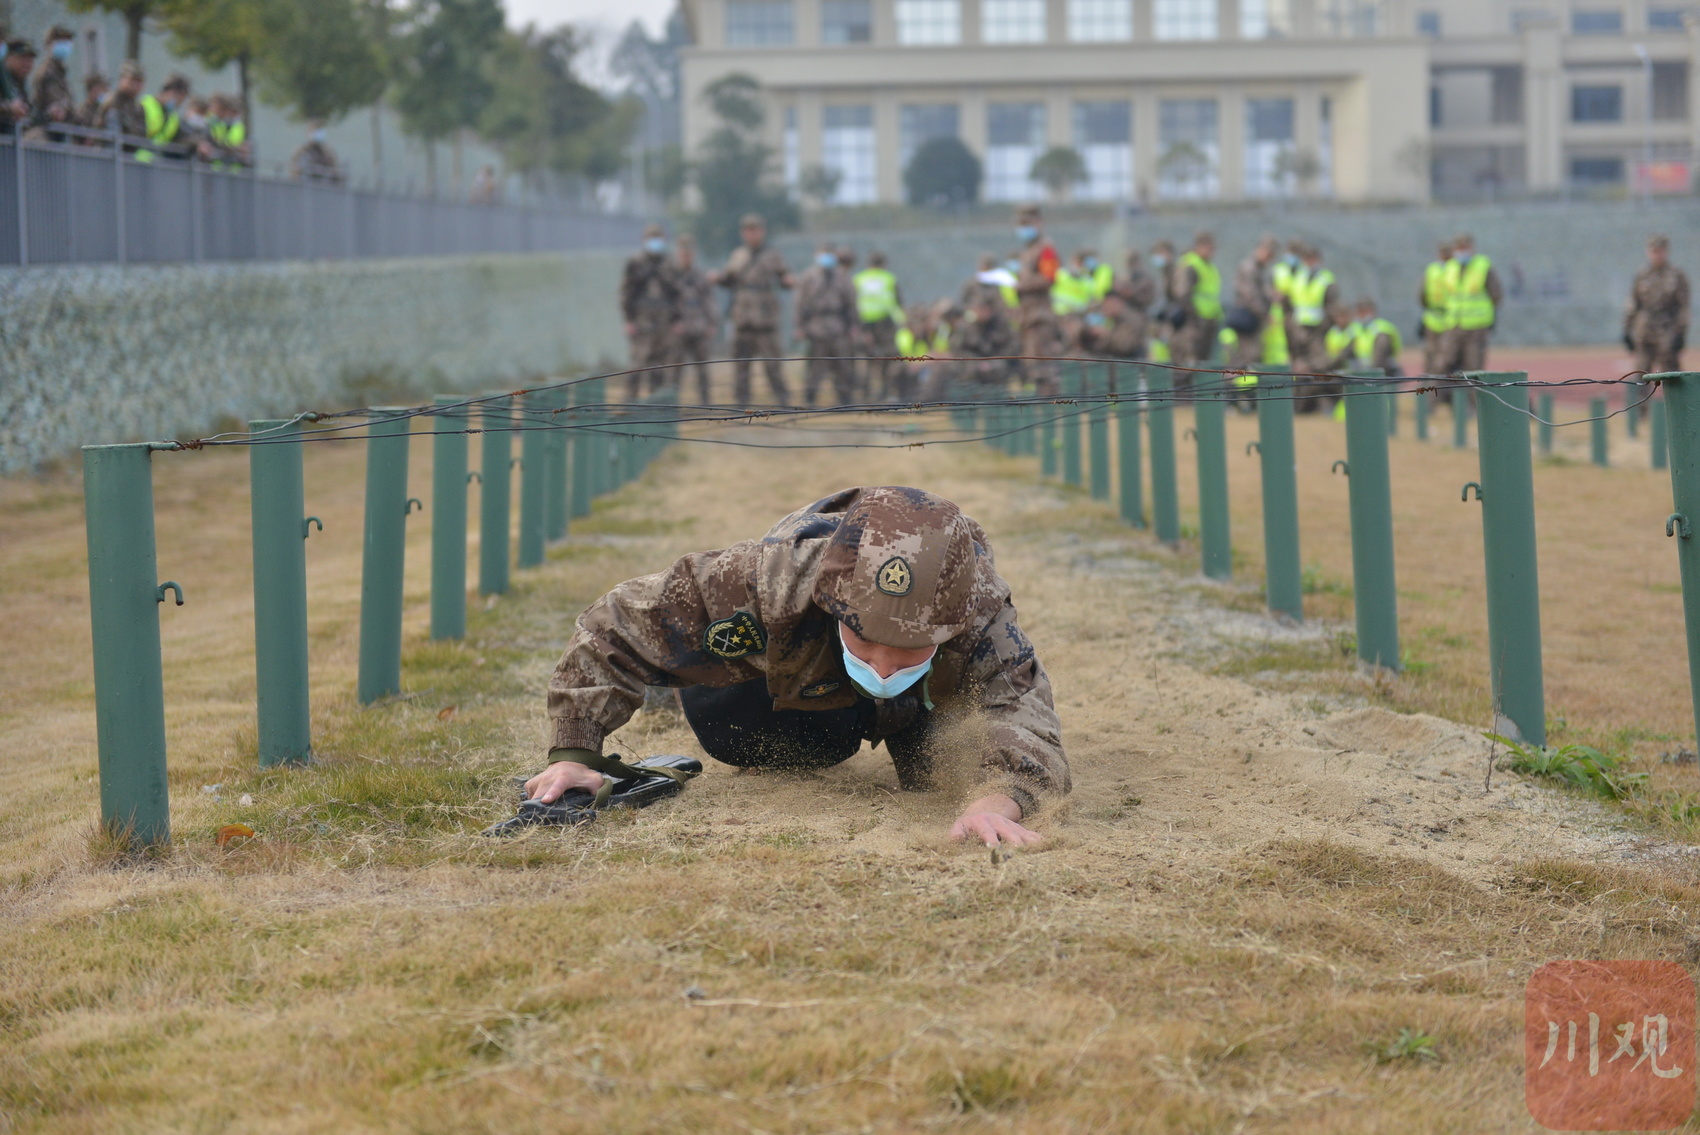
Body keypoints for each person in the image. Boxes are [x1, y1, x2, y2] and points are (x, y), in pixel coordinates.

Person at [525, 486, 1069, 848]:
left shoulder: (977, 610)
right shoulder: (767, 578)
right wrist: (575, 753)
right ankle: (708, 687)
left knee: (939, 773)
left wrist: (998, 802)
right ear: (832, 600)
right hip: (789, 679)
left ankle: (903, 717)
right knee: (739, 733)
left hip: (921, 705)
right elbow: (614, 624)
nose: (882, 665)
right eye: (867, 639)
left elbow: (1020, 710)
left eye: (907, 650)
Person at [715, 213, 793, 405]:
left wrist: (788, 281)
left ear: (762, 232)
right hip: (743, 317)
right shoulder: (737, 255)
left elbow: (785, 277)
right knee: (741, 364)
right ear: (743, 233)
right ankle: (741, 403)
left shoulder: (772, 255)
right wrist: (718, 278)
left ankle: (782, 400)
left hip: (765, 316)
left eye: (755, 230)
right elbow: (728, 279)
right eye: (748, 230)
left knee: (772, 363)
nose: (752, 234)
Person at [795, 241, 860, 406]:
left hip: (838, 325)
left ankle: (845, 400)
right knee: (815, 366)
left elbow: (851, 303)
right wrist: (800, 326)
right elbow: (800, 303)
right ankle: (810, 399)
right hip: (816, 326)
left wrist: (854, 326)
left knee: (843, 366)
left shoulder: (842, 277)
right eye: (824, 253)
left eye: (830, 254)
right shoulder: (808, 277)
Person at [621, 224, 681, 398]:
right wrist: (629, 320)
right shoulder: (636, 262)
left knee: (659, 366)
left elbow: (677, 293)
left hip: (664, 322)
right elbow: (626, 292)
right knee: (637, 364)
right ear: (644, 240)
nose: (655, 242)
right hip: (642, 321)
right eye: (651, 238)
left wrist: (677, 319)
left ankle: (655, 405)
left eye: (658, 238)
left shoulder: (669, 263)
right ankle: (630, 405)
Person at [1012, 204, 1063, 391]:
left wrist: (1022, 285)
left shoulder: (1045, 248)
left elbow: (1048, 277)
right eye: (1021, 224)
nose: (1023, 228)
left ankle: (1050, 407)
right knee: (1032, 365)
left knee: (1044, 366)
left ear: (1038, 223)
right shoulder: (1027, 251)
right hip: (1028, 315)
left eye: (1027, 223)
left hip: (1040, 316)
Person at [1625, 235, 1689, 377]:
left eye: (1660, 251)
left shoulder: (1676, 275)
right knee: (1641, 373)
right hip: (1645, 331)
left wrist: (1681, 333)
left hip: (1668, 331)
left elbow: (1683, 306)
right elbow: (1633, 303)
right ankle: (1641, 400)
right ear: (1648, 252)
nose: (1657, 255)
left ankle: (1673, 400)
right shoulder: (1642, 275)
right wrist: (1627, 329)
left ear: (1666, 252)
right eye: (1654, 251)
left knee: (1672, 374)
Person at [1439, 233, 1502, 374]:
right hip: (1453, 325)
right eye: (1459, 248)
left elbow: (1496, 294)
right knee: (1444, 365)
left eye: (1465, 247)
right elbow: (1445, 296)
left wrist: (1489, 318)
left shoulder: (1482, 266)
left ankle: (1473, 396)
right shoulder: (1450, 267)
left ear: (1472, 248)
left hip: (1476, 327)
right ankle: (1444, 396)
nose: (1462, 251)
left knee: (1473, 368)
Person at [672, 234, 718, 405]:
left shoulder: (700, 275)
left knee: (703, 370)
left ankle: (706, 404)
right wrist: (672, 323)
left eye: (689, 252)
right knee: (674, 370)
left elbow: (710, 300)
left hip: (699, 329)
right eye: (683, 253)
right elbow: (667, 303)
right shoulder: (671, 276)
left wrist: (711, 323)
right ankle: (671, 404)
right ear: (678, 253)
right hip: (679, 330)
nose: (686, 256)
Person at [855, 251, 904, 401]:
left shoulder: (858, 279)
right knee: (888, 358)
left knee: (866, 359)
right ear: (883, 264)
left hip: (863, 323)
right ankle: (885, 391)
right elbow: (897, 301)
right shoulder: (889, 278)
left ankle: (865, 394)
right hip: (885, 323)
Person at [1170, 231, 1222, 369]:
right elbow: (1182, 294)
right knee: (1188, 364)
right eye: (1209, 248)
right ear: (1199, 246)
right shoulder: (1190, 264)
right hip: (1192, 324)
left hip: (1207, 322)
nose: (1212, 251)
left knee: (1203, 364)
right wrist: (1193, 316)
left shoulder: (1209, 266)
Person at [1229, 235, 1279, 371]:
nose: (1270, 259)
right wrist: (1265, 313)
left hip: (1252, 318)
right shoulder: (1250, 268)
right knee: (1248, 355)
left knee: (1251, 355)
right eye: (1269, 254)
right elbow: (1250, 296)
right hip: (1247, 317)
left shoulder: (1258, 268)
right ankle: (1237, 388)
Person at [29, 27, 75, 136]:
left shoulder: (60, 71)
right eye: (60, 41)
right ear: (49, 44)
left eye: (67, 41)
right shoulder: (49, 71)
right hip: (48, 128)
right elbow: (55, 101)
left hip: (58, 129)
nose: (65, 45)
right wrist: (63, 109)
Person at [1339, 298, 1403, 376]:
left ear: (1373, 311)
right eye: (1360, 312)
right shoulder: (1353, 329)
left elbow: (1380, 357)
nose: (1362, 315)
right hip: (1361, 372)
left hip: (1384, 373)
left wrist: (1370, 371)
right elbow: (1345, 352)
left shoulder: (1382, 329)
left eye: (1365, 311)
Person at [1419, 240, 1453, 376]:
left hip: (1452, 319)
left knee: (1448, 357)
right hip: (1433, 318)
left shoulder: (1456, 269)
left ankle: (1446, 391)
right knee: (1431, 356)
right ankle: (1431, 392)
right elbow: (1422, 293)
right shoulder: (1432, 269)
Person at [97, 61, 147, 152]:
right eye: (133, 80)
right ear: (122, 79)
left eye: (139, 82)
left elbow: (142, 136)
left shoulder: (138, 107)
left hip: (129, 157)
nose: (136, 86)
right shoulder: (112, 101)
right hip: (110, 156)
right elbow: (103, 131)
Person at [139, 73, 190, 160]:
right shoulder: (146, 104)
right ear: (171, 92)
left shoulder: (173, 116)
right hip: (136, 158)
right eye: (178, 98)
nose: (178, 103)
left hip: (156, 161)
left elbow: (182, 136)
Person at [202, 94, 250, 169]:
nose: (227, 113)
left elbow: (222, 141)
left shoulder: (224, 124)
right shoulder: (208, 121)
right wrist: (235, 148)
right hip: (210, 166)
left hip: (226, 167)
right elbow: (214, 141)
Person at [0, 38, 36, 133]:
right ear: (8, 58)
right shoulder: (4, 80)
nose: (27, 64)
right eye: (23, 59)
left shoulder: (22, 84)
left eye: (30, 60)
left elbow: (32, 112)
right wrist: (10, 108)